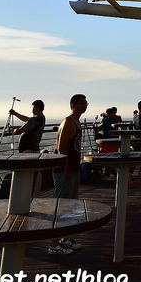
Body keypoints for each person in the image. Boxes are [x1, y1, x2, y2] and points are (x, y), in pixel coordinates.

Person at [49, 94, 87, 255]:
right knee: (61, 205)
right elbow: (61, 147)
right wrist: (65, 167)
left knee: (71, 205)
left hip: (73, 168)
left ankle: (65, 238)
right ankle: (54, 243)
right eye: (81, 103)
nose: (85, 105)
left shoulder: (77, 122)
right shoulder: (68, 122)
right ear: (73, 105)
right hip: (64, 170)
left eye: (86, 103)